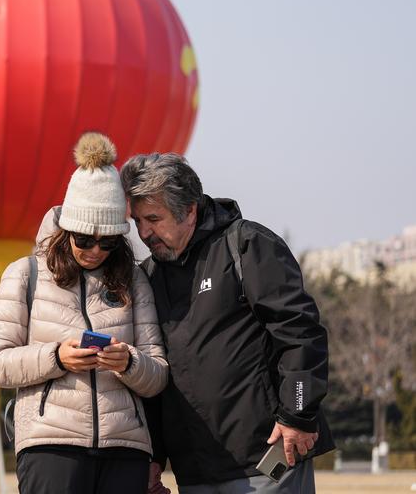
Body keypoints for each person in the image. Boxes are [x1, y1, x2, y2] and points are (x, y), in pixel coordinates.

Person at [119, 153, 335, 494]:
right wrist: (154, 456)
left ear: (189, 210)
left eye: (154, 219)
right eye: (137, 221)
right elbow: (154, 377)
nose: (144, 232)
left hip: (267, 459)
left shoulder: (247, 245)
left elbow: (301, 334)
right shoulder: (148, 277)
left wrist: (298, 414)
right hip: (194, 472)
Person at [0, 132, 169, 494]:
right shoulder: (26, 274)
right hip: (50, 447)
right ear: (66, 228)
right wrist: (57, 357)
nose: (95, 251)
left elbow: (158, 374)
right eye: (84, 239)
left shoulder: (134, 282)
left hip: (125, 448)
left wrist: (127, 361)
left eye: (108, 242)